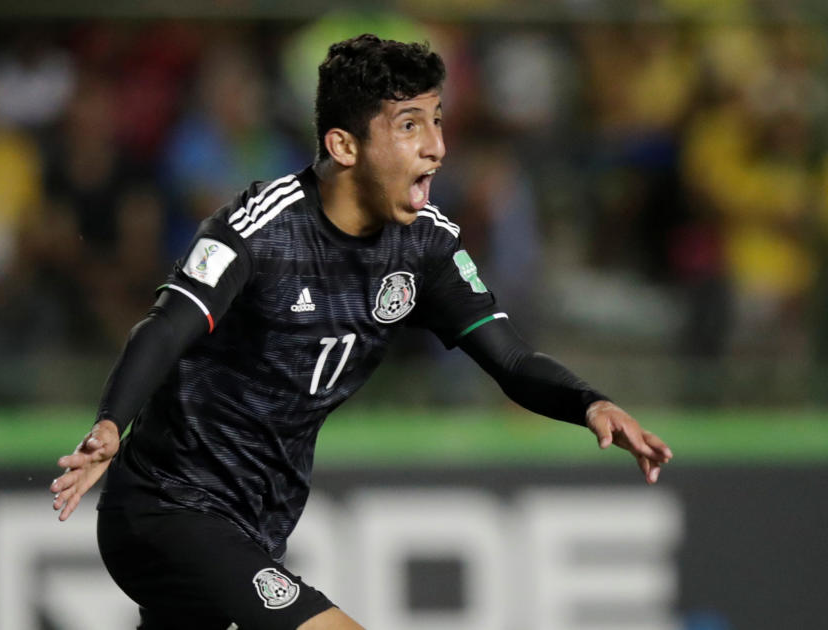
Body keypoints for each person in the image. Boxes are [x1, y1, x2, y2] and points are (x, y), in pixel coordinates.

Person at [50, 34, 673, 630]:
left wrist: (590, 401)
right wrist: (111, 423)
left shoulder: (426, 244)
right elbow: (166, 326)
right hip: (169, 506)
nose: (436, 147)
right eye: (409, 125)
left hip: (258, 523)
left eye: (437, 121)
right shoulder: (259, 226)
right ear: (345, 146)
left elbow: (508, 357)